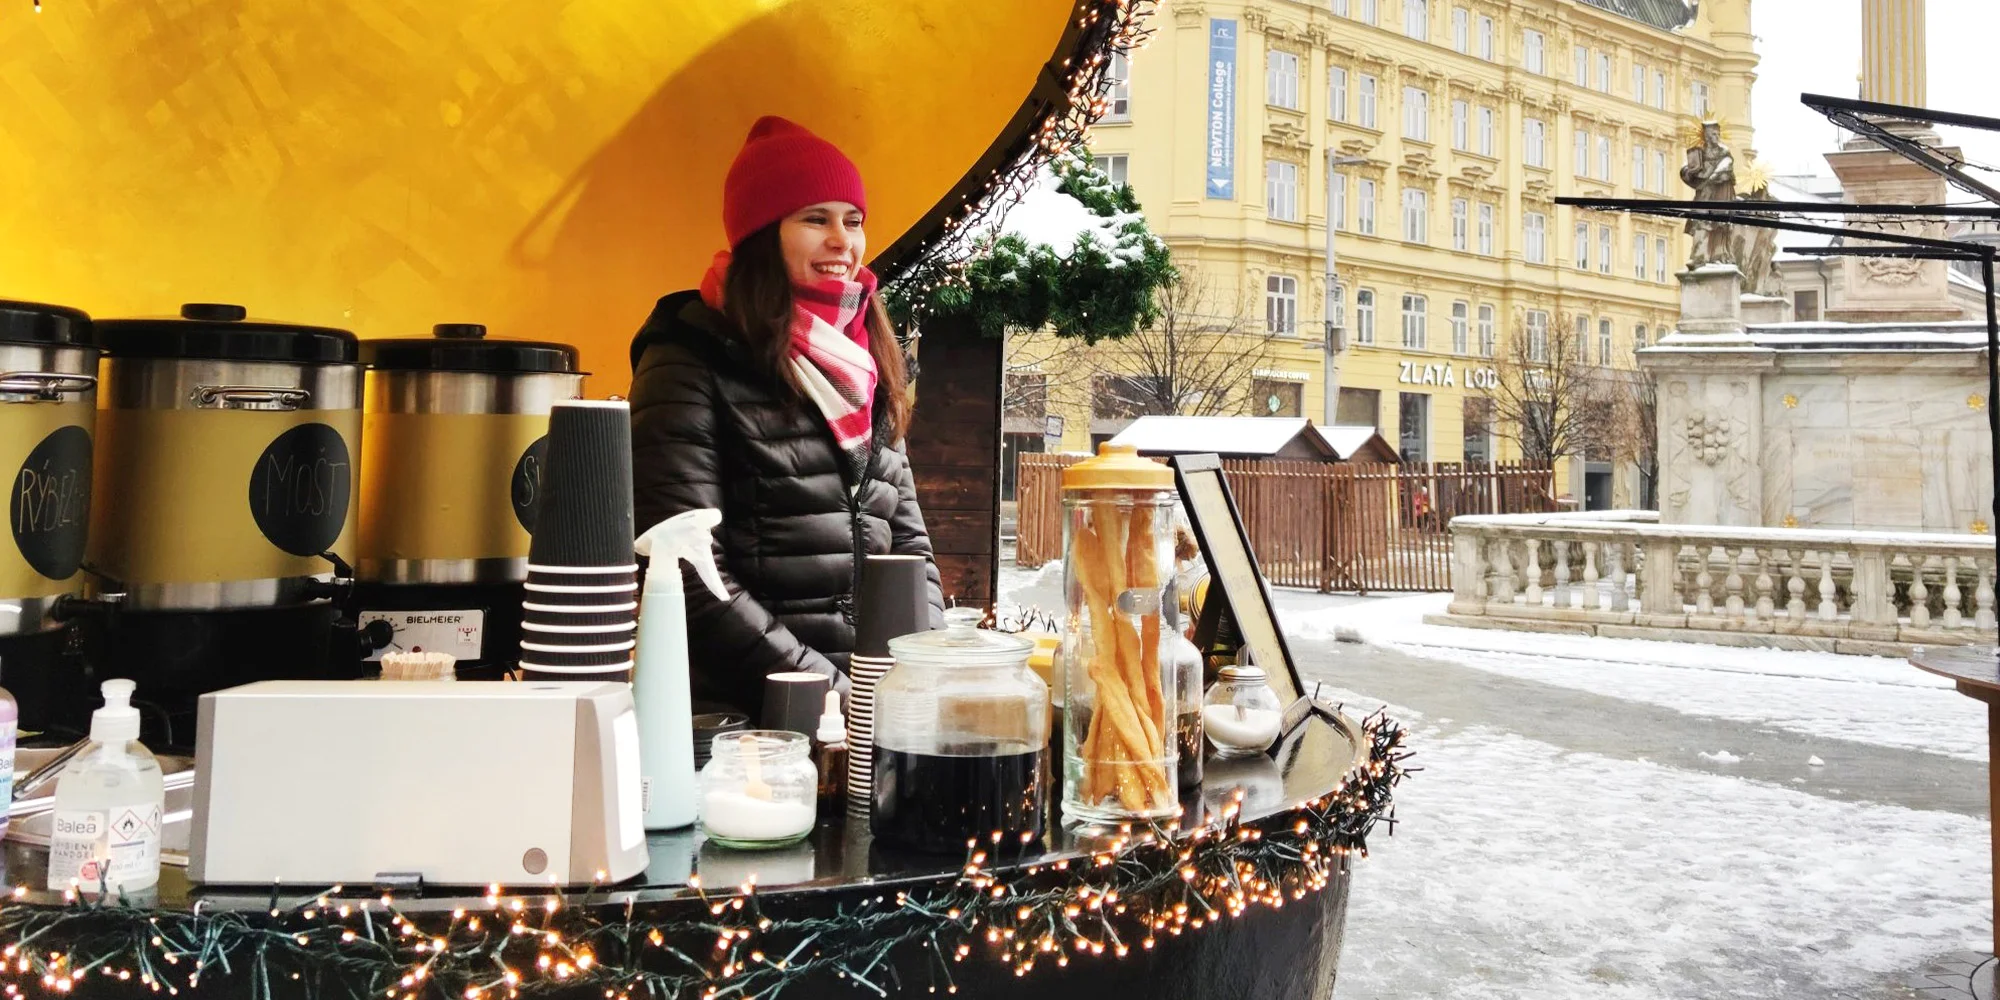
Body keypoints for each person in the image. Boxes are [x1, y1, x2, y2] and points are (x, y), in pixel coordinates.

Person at [628, 116, 944, 718]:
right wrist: (828, 693)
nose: (842, 241)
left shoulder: (866, 362)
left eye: (853, 221)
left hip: (863, 718)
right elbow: (689, 573)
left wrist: (918, 673)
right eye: (815, 219)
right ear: (760, 236)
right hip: (740, 722)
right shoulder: (689, 358)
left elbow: (910, 549)